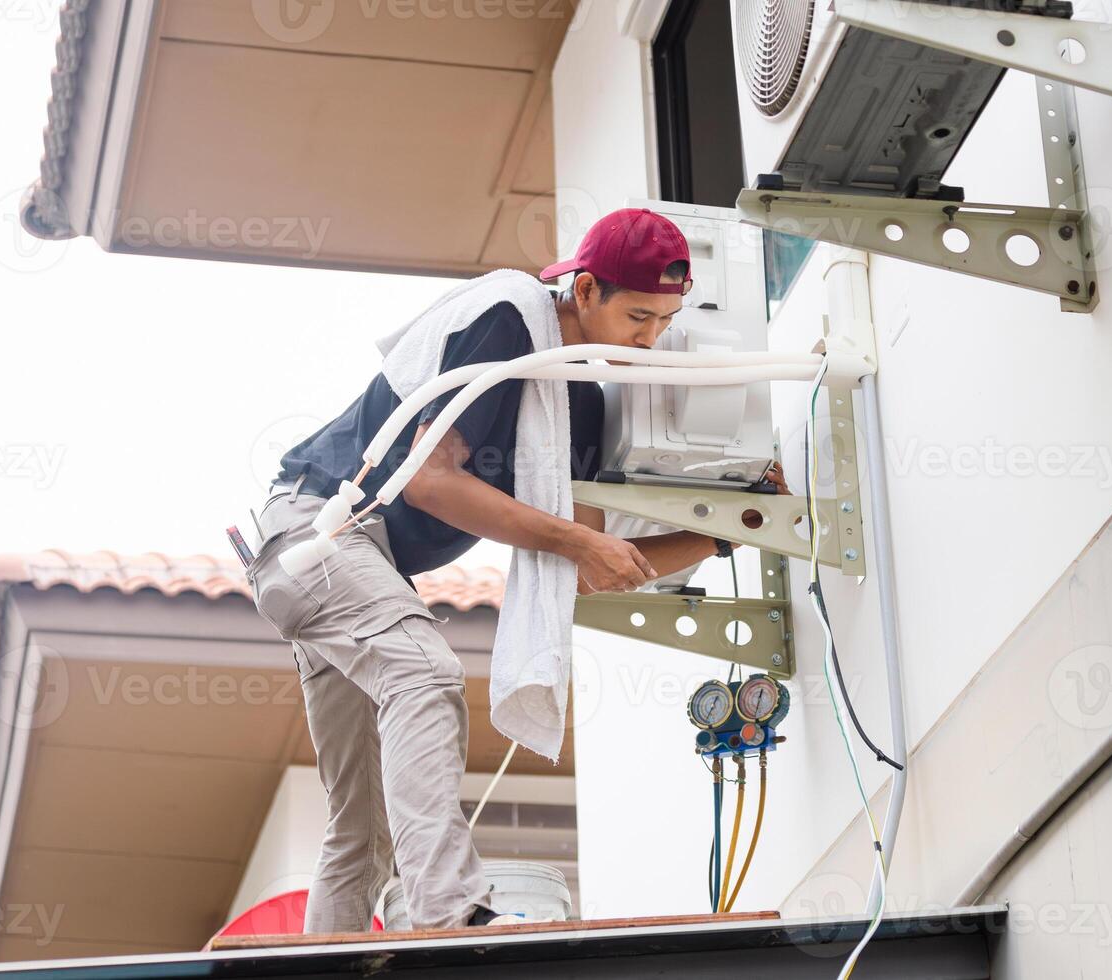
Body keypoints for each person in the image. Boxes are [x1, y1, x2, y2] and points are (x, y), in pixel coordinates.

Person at [244, 208, 786, 934]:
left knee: (363, 820)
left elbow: (596, 567)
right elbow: (429, 482)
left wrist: (723, 536)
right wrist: (572, 541)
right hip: (317, 532)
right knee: (425, 677)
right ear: (585, 290)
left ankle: (326, 959)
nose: (649, 339)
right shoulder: (507, 319)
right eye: (637, 316)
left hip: (354, 571)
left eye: (665, 321)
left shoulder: (579, 406)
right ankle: (450, 915)